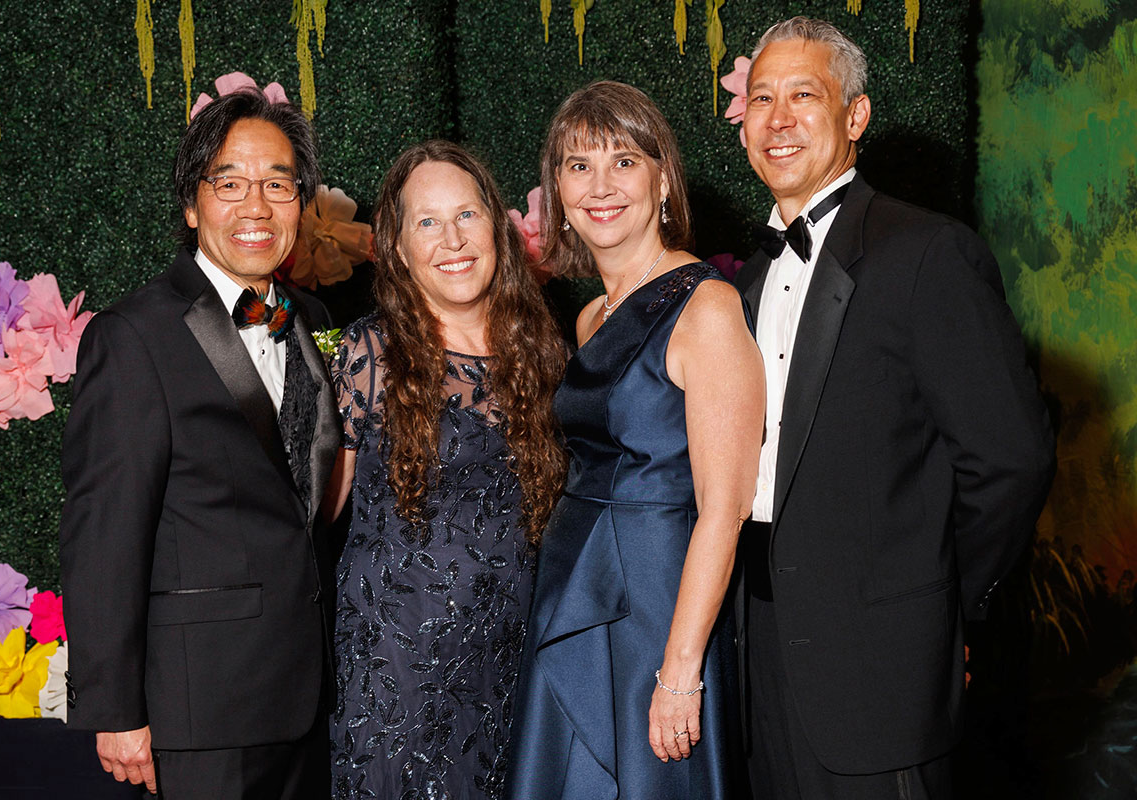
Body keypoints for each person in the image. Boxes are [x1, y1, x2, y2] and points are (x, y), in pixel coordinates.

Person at [733, 17, 1056, 799]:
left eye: (804, 96)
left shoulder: (928, 253)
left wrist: (940, 608)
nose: (777, 120)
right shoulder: (745, 282)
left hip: (880, 669)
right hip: (758, 659)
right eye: (762, 98)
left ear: (856, 116)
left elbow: (1011, 460)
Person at [59, 90, 340, 798]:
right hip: (199, 707)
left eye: (278, 184)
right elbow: (104, 532)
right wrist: (116, 710)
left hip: (309, 698)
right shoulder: (134, 335)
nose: (257, 206)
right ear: (192, 204)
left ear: (301, 202)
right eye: (230, 183)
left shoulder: (311, 319)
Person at [506, 81, 765, 799]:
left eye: (623, 161)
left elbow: (725, 510)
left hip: (658, 605)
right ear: (558, 191)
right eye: (578, 166)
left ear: (662, 180)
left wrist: (680, 670)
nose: (600, 186)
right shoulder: (591, 315)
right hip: (574, 581)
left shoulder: (707, 307)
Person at [325, 141, 567, 799]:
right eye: (427, 221)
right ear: (399, 248)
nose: (452, 239)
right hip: (397, 680)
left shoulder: (544, 350)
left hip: (517, 670)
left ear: (497, 227)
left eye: (466, 215)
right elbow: (314, 515)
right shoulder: (369, 354)